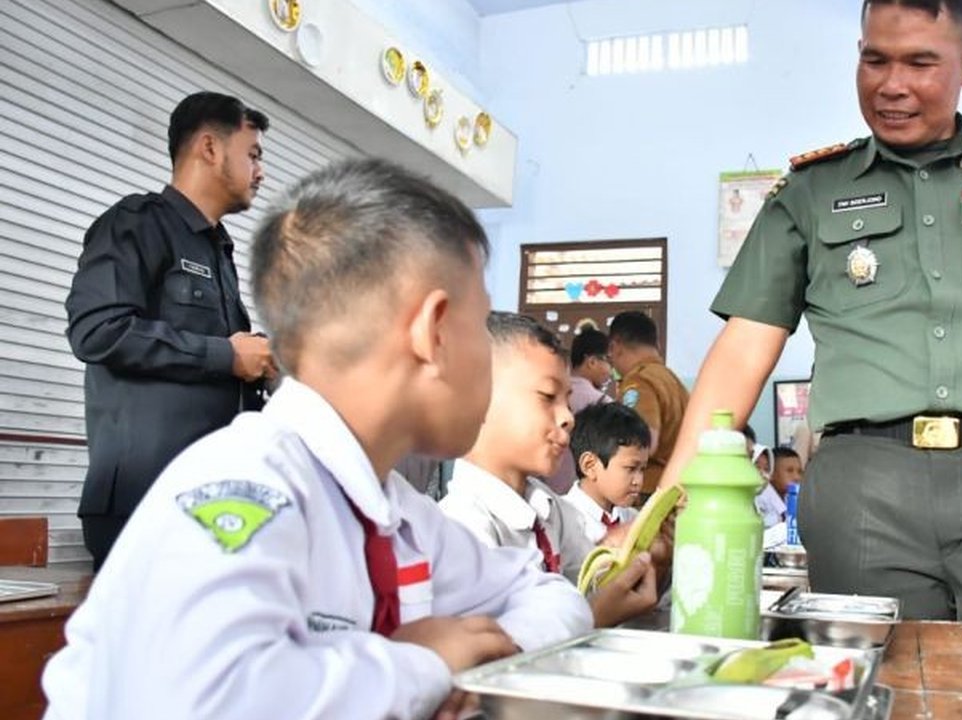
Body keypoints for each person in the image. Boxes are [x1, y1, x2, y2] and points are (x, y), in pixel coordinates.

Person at [656, 0, 962, 700]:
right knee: (881, 696)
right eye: (875, 59)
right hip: (866, 491)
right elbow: (743, 351)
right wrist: (664, 506)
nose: (892, 85)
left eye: (921, 62)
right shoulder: (811, 192)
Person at [41, 158, 593, 719]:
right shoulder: (245, 484)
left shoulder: (397, 515)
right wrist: (417, 666)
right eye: (480, 326)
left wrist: (488, 655)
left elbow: (550, 595)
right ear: (434, 330)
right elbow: (207, 700)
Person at [65, 91, 277, 570]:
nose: (261, 172)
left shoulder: (216, 251)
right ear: (209, 148)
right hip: (144, 503)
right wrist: (225, 356)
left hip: (209, 502)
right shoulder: (136, 225)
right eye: (254, 154)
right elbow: (98, 330)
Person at [441, 312, 660, 627]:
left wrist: (633, 550)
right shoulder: (462, 526)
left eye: (567, 402)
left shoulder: (547, 507)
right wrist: (593, 617)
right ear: (478, 400)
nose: (568, 417)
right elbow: (492, 651)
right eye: (547, 397)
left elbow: (588, 572)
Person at [607, 310, 689, 499]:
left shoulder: (638, 382)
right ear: (656, 344)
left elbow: (642, 441)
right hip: (679, 487)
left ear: (615, 346)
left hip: (650, 492)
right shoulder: (672, 380)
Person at [563, 402, 648, 544]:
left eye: (642, 469)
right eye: (630, 469)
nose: (638, 481)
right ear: (589, 466)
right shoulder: (563, 520)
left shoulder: (633, 519)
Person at [545, 327, 615, 493]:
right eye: (608, 362)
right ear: (592, 361)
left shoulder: (551, 393)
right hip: (584, 491)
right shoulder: (603, 403)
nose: (611, 371)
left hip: (546, 485)